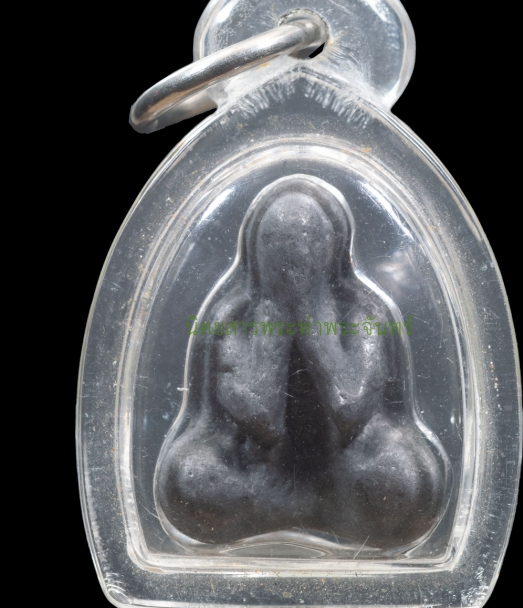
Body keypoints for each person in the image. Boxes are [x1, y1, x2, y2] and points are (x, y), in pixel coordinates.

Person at [155, 176, 444, 550]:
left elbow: (350, 410)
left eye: (307, 245)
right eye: (277, 246)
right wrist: (274, 323)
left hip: (343, 467)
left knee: (406, 480)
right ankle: (299, 507)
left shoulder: (360, 312)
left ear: (330, 250)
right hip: (258, 468)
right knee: (189, 479)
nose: (293, 262)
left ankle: (325, 505)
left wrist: (311, 316)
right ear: (258, 252)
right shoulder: (234, 316)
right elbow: (261, 420)